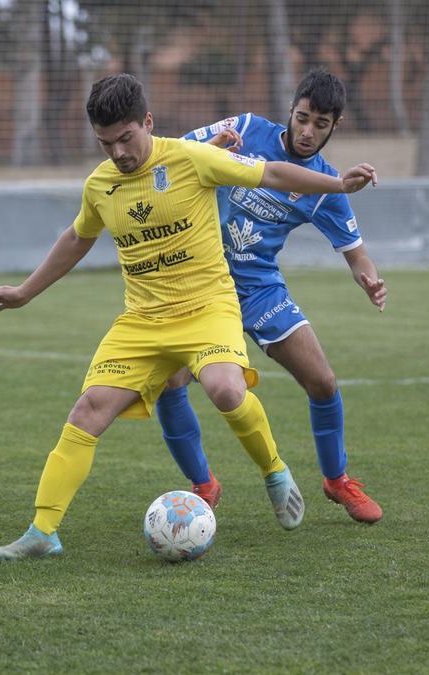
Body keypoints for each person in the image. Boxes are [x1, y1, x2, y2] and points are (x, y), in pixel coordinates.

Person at [0, 73, 377, 560]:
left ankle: (275, 471)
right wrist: (24, 292)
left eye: (126, 138)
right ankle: (43, 532)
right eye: (106, 143)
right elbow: (77, 238)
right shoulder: (101, 184)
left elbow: (272, 174)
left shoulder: (191, 158)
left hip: (209, 306)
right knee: (87, 411)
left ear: (147, 123)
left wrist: (338, 184)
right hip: (142, 321)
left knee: (227, 389)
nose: (119, 153)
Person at [155, 68, 387, 524]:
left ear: (335, 126)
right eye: (302, 118)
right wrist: (215, 148)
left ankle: (337, 480)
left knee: (322, 382)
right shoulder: (246, 128)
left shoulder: (325, 186)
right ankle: (203, 484)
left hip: (258, 287)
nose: (307, 131)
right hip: (199, 281)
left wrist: (370, 279)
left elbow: (358, 255)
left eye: (320, 124)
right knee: (170, 381)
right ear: (291, 109)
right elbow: (176, 154)